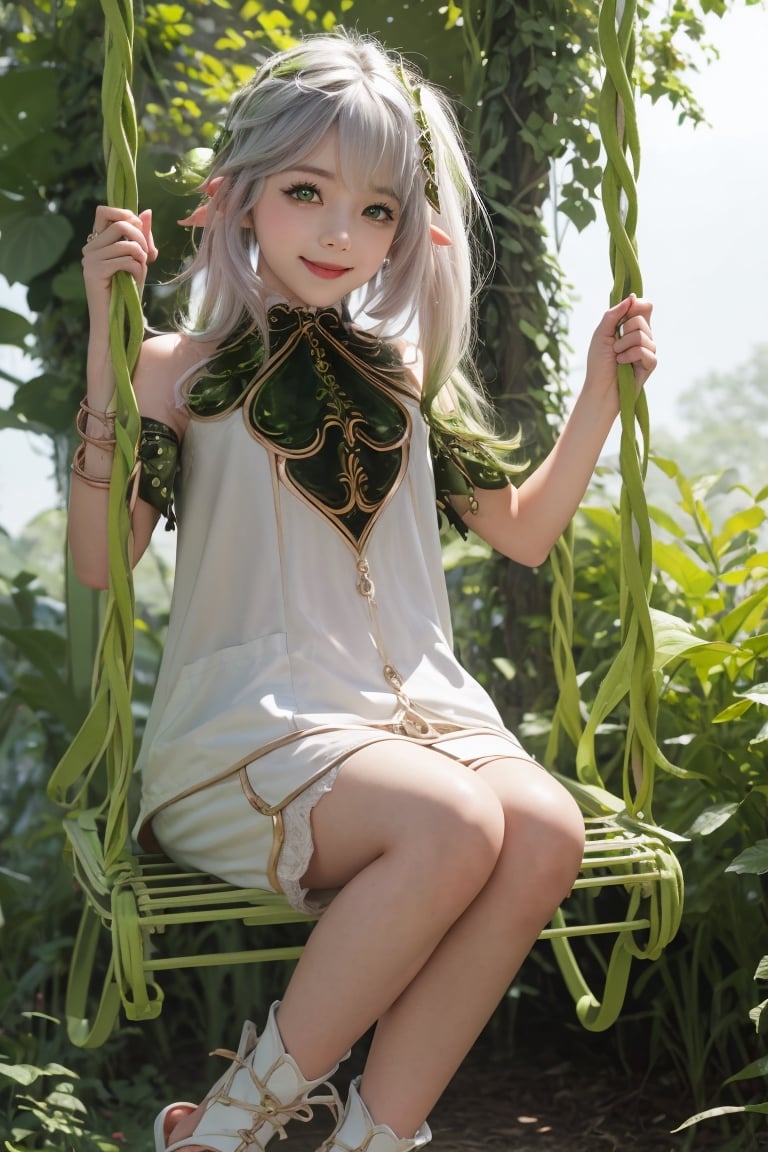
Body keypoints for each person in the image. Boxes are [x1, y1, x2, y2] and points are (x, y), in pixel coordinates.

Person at [72, 30, 656, 1152]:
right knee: (453, 824)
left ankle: (372, 1140)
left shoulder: (395, 377)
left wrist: (598, 393)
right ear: (235, 202)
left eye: (377, 210)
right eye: (306, 193)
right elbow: (105, 562)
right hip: (257, 730)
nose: (341, 233)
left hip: (421, 718)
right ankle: (227, 1128)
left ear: (405, 232)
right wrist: (110, 348)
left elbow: (523, 533)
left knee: (543, 832)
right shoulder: (174, 369)